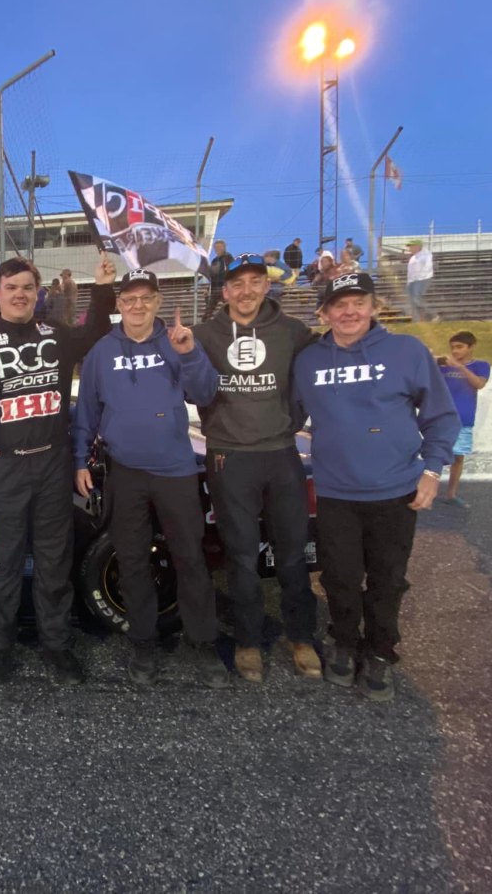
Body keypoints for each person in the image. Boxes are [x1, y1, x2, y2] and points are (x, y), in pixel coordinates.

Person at [0, 253, 116, 684]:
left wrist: (104, 288)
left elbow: (94, 332)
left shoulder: (57, 335)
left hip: (52, 463)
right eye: (11, 288)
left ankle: (57, 645)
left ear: (37, 293)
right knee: (6, 560)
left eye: (27, 287)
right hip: (4, 466)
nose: (19, 295)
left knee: (54, 560)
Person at [291, 272, 460, 702]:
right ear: (324, 313)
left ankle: (381, 650)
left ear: (374, 306)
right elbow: (286, 417)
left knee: (387, 579)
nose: (349, 311)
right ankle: (344, 641)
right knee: (340, 577)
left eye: (358, 302)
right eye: (339, 304)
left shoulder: (407, 351)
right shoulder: (308, 361)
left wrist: (432, 471)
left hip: (395, 490)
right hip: (335, 493)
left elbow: (441, 416)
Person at [73, 270, 227, 688]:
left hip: (175, 469)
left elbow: (206, 394)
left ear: (158, 301)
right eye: (129, 299)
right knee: (132, 559)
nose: (137, 306)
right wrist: (80, 461)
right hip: (125, 472)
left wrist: (189, 353)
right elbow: (86, 412)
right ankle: (143, 641)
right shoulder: (102, 351)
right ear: (118, 304)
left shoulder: (177, 341)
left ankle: (203, 642)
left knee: (190, 558)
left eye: (145, 298)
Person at [191, 253, 322, 683]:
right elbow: (190, 384)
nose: (246, 291)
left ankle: (301, 637)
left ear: (267, 286)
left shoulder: (292, 331)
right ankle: (248, 641)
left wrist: (294, 420)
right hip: (229, 455)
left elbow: (315, 372)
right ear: (225, 291)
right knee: (241, 555)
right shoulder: (205, 334)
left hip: (281, 452)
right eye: (237, 284)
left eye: (254, 281)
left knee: (292, 552)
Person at [437, 331, 490, 509]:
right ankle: (425, 492)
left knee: (458, 457)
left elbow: (479, 384)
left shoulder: (481, 365)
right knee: (434, 455)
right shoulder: (443, 366)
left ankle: (451, 494)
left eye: (459, 347)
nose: (455, 351)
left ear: (471, 347)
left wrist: (459, 367)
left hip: (463, 418)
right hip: (440, 417)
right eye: (452, 347)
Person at [405, 239, 436, 322]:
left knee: (416, 298)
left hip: (422, 279)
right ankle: (417, 319)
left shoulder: (426, 255)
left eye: (411, 246)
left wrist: (420, 277)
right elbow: (410, 271)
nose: (410, 248)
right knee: (413, 301)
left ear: (417, 246)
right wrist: (409, 281)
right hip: (412, 280)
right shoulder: (413, 258)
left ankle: (432, 314)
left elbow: (427, 267)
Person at [202, 239, 232, 322]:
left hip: (225, 288)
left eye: (219, 247)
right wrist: (208, 289)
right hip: (215, 289)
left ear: (224, 247)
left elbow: (232, 273)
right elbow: (212, 277)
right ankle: (205, 324)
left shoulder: (228, 258)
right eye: (216, 248)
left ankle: (231, 324)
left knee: (230, 308)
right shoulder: (214, 260)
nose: (217, 249)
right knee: (208, 312)